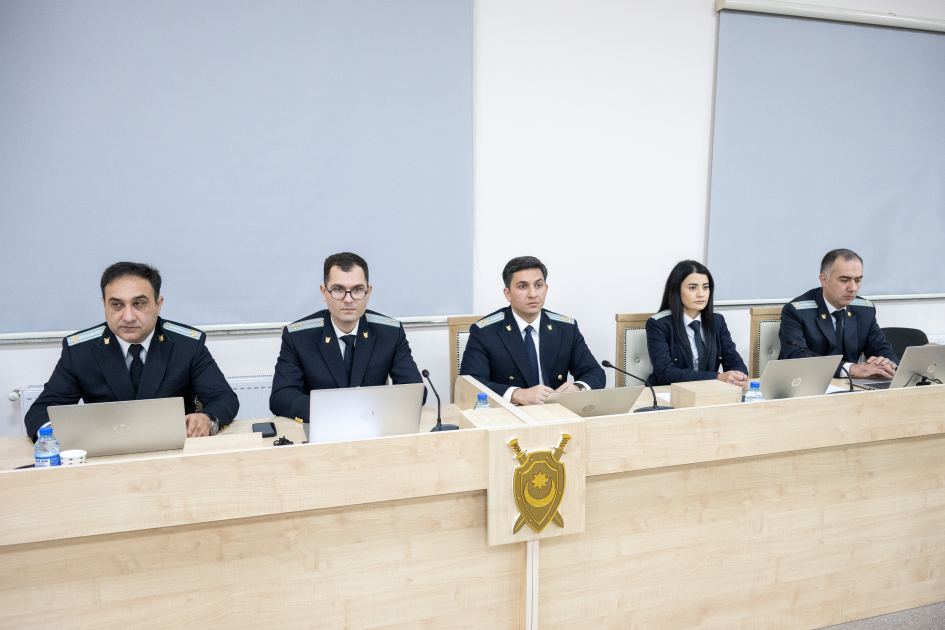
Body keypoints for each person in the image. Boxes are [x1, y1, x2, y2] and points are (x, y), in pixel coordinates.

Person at [24, 262, 239, 441]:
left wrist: (207, 419)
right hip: (107, 453)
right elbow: (41, 411)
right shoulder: (81, 351)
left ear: (158, 304)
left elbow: (223, 397)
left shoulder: (186, 345)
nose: (128, 317)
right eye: (117, 305)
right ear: (104, 304)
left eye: (139, 304)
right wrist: (53, 433)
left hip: (173, 450)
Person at [269, 252, 425, 421]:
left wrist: (369, 411)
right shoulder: (298, 337)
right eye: (338, 289)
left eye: (357, 290)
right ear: (324, 292)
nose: (348, 299)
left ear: (368, 292)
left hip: (372, 424)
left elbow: (415, 391)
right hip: (323, 426)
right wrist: (335, 412)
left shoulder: (390, 333)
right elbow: (281, 396)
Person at [459, 256, 605, 406]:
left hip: (556, 412)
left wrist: (578, 388)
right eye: (523, 286)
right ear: (508, 294)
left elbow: (594, 372)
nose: (533, 294)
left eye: (538, 285)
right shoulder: (485, 332)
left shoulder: (566, 328)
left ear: (546, 289)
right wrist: (517, 394)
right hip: (509, 414)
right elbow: (470, 384)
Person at [779, 248, 897, 379]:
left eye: (858, 280)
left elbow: (881, 348)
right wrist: (852, 369)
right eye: (844, 280)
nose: (853, 288)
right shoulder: (797, 311)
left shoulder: (864, 309)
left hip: (849, 385)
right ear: (824, 280)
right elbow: (798, 356)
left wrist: (888, 364)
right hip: (806, 382)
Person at [645, 260, 748, 387]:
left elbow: (733, 360)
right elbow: (666, 373)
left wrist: (740, 376)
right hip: (668, 392)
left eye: (705, 287)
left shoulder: (717, 321)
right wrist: (717, 377)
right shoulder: (658, 324)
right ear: (676, 290)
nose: (701, 294)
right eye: (692, 288)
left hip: (707, 391)